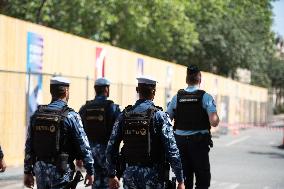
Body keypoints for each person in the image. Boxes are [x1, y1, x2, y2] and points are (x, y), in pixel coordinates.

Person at [106, 76, 185, 189]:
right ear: (154, 91)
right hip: (154, 176)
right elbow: (172, 150)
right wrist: (180, 179)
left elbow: (111, 147)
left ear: (137, 90)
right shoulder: (159, 116)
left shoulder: (124, 115)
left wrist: (112, 174)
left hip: (130, 174)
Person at [24, 76, 94, 189]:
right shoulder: (71, 116)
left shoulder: (37, 115)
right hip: (61, 170)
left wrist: (27, 171)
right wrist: (90, 171)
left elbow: (29, 145)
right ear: (66, 91)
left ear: (51, 91)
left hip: (40, 170)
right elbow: (83, 145)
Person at [167, 65, 220, 189]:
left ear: (187, 79)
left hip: (180, 144)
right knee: (203, 180)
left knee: (184, 181)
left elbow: (167, 119)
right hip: (199, 144)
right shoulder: (206, 97)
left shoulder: (177, 97)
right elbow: (214, 122)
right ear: (199, 79)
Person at [79, 77, 121, 189]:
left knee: (96, 183)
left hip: (90, 153)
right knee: (110, 183)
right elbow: (119, 130)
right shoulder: (112, 107)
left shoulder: (85, 108)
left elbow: (78, 132)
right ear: (106, 89)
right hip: (107, 153)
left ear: (95, 89)